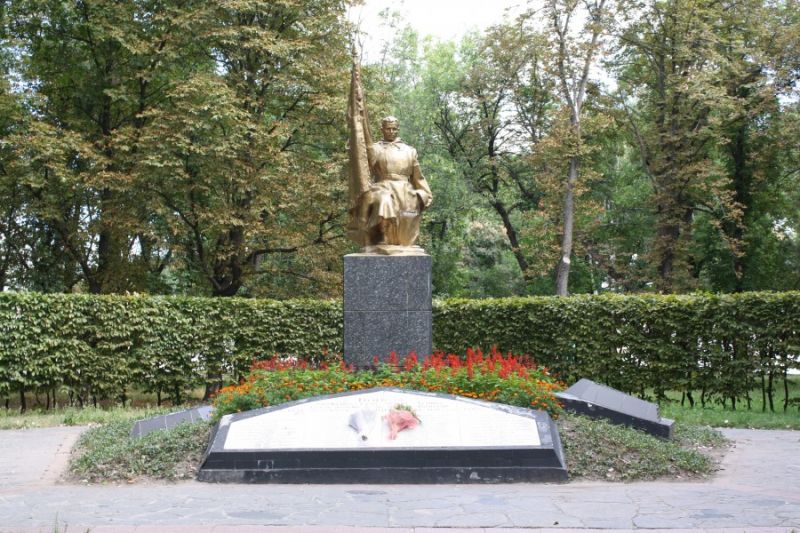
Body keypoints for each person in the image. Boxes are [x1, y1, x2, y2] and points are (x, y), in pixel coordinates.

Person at [354, 116, 433, 248]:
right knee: (384, 200)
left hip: (405, 190)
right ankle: (383, 238)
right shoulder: (375, 148)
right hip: (382, 186)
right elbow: (363, 168)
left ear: (398, 130)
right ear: (382, 130)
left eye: (394, 129)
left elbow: (418, 177)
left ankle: (404, 241)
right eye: (388, 129)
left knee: (410, 207)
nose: (391, 132)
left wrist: (425, 194)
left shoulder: (409, 150)